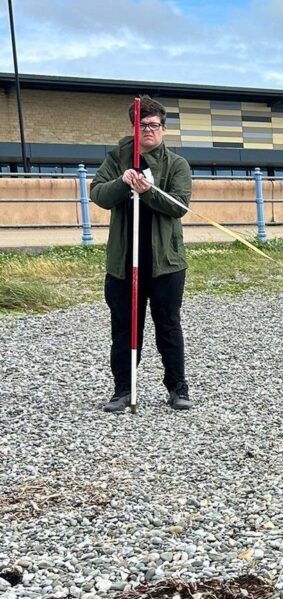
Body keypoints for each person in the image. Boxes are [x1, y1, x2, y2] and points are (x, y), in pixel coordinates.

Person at [90, 95, 193, 413]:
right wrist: (122, 183)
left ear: (163, 127)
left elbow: (179, 206)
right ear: (134, 126)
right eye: (143, 124)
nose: (149, 130)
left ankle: (177, 388)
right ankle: (123, 389)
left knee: (168, 325)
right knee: (124, 328)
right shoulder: (117, 159)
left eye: (155, 124)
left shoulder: (177, 164)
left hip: (165, 263)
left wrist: (148, 192)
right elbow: (98, 194)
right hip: (124, 263)